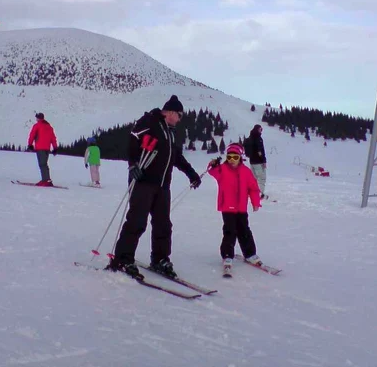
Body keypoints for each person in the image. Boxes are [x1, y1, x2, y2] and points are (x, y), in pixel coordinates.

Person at [106, 95, 202, 279]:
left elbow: (176, 157)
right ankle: (123, 259)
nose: (180, 120)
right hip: (143, 181)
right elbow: (133, 140)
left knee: (163, 225)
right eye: (179, 115)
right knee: (137, 221)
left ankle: (160, 259)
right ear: (172, 112)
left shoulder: (171, 132)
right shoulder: (149, 121)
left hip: (163, 186)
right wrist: (133, 165)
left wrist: (191, 174)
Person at [207, 143, 263, 273]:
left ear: (241, 158)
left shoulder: (246, 172)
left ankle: (250, 254)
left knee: (244, 230)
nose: (232, 160)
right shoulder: (222, 169)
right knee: (229, 231)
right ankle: (227, 255)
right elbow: (212, 171)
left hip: (241, 208)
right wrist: (213, 164)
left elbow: (253, 189)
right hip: (227, 207)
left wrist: (255, 202)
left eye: (235, 157)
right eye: (229, 157)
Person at [27, 113, 58, 187]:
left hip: (40, 147)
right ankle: (46, 179)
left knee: (42, 164)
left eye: (36, 118)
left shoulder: (37, 125)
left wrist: (30, 144)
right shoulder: (49, 127)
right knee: (44, 164)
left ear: (38, 118)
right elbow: (53, 138)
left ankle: (46, 180)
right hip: (47, 148)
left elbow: (32, 135)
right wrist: (55, 148)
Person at [247, 124, 268, 199]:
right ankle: (259, 194)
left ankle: (252, 192)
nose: (261, 131)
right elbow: (260, 151)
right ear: (257, 129)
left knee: (254, 178)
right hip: (258, 161)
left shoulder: (250, 137)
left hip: (252, 161)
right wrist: (263, 160)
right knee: (262, 178)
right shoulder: (258, 138)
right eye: (260, 129)